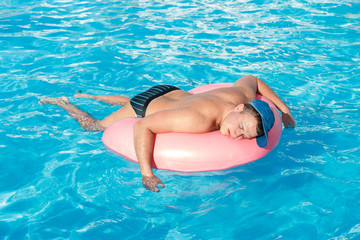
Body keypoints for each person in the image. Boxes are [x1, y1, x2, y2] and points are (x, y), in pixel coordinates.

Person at [39, 75, 295, 192]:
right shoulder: (198, 120)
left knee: (127, 103)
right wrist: (146, 173)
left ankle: (89, 95)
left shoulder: (240, 95)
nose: (236, 136)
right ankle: (63, 102)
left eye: (244, 136)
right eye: (240, 127)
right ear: (240, 108)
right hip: (146, 106)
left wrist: (284, 110)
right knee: (94, 126)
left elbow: (254, 79)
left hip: (173, 92)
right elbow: (143, 125)